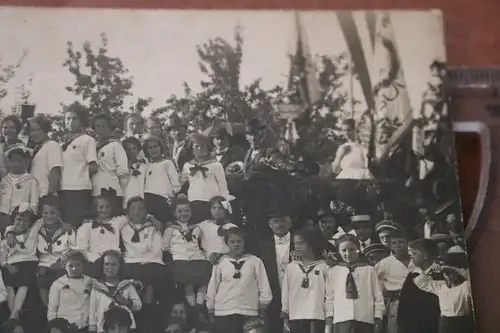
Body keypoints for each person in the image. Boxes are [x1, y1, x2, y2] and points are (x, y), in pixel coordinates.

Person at [120, 196, 174, 331]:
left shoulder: (152, 227)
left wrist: (152, 219)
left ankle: (150, 322)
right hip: (131, 262)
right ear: (128, 212)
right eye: (133, 209)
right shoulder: (123, 227)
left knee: (154, 284)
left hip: (151, 262)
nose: (137, 212)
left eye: (141, 208)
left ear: (147, 211)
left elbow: (157, 249)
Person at [206, 227, 272, 333]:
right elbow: (213, 286)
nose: (236, 244)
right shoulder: (220, 262)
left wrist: (262, 306)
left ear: (244, 242)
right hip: (224, 310)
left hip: (248, 310)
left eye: (239, 241)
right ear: (227, 243)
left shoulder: (255, 261)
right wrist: (210, 307)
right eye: (232, 242)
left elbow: (264, 285)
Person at [163, 197, 212, 323]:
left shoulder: (197, 228)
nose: (183, 214)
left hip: (196, 256)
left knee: (204, 278)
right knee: (188, 282)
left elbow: (201, 243)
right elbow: (165, 246)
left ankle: (200, 304)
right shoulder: (171, 229)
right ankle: (193, 308)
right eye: (180, 211)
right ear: (174, 213)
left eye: (186, 211)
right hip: (180, 257)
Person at [325, 234, 384, 333]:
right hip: (341, 319)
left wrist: (378, 318)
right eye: (344, 250)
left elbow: (378, 297)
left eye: (352, 249)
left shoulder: (369, 270)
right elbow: (330, 298)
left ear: (358, 249)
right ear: (339, 252)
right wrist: (329, 320)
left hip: (365, 319)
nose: (348, 253)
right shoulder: (334, 271)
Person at [414, 248, 474, 333]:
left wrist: (459, 270)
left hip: (461, 324)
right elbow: (420, 282)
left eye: (452, 272)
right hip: (444, 323)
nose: (448, 275)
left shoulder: (465, 287)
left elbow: (472, 282)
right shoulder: (441, 286)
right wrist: (428, 270)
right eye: (445, 272)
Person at [281, 229, 329, 333]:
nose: (297, 247)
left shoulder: (324, 267)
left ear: (311, 244)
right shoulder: (291, 267)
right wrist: (285, 316)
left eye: (301, 243)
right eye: (295, 244)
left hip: (317, 315)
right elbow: (285, 293)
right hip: (295, 315)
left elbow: (329, 294)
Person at [255, 209, 295, 333]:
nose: (280, 224)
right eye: (276, 221)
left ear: (290, 223)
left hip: (296, 293)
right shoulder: (262, 244)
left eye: (283, 220)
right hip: (273, 293)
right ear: (270, 224)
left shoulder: (300, 241)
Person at [60, 108, 98, 228]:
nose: (70, 121)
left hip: (79, 189)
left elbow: (93, 166)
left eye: (74, 118)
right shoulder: (61, 142)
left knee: (77, 225)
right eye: (68, 119)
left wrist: (81, 178)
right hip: (63, 189)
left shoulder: (87, 140)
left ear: (81, 121)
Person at [36, 196, 77, 307]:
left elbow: (72, 247)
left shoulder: (67, 229)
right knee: (41, 281)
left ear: (59, 213)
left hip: (61, 263)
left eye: (53, 213)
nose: (49, 216)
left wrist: (65, 258)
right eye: (46, 213)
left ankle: (61, 310)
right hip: (43, 263)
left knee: (61, 281)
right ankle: (48, 310)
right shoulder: (38, 229)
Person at [0, 206, 39, 319]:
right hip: (11, 263)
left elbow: (40, 221)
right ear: (13, 220)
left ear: (31, 222)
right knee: (8, 284)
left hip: (27, 262)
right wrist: (6, 265)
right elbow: (2, 255)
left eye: (26, 220)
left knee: (23, 283)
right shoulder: (7, 237)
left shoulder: (33, 232)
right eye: (18, 219)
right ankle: (14, 315)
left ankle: (14, 315)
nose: (21, 223)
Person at [88, 250, 142, 333]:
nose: (110, 267)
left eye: (114, 265)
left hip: (125, 327)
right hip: (104, 327)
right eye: (107, 264)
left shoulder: (127, 285)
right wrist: (92, 327)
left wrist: (126, 302)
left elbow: (138, 305)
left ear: (120, 267)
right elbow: (92, 309)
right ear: (102, 266)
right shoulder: (97, 287)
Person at [181, 134, 229, 224]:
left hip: (211, 203)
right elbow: (180, 183)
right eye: (196, 146)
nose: (200, 149)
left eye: (203, 146)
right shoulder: (187, 165)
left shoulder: (215, 165)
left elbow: (223, 186)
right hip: (193, 203)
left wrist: (224, 204)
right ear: (191, 149)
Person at [397, 238, 443, 333]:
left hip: (433, 325)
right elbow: (403, 302)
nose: (411, 257)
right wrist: (401, 323)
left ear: (425, 255)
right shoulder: (412, 276)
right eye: (410, 255)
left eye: (414, 253)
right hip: (412, 325)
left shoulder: (439, 275)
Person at [91, 113, 129, 217]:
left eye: (103, 126)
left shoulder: (115, 145)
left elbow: (123, 171)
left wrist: (123, 192)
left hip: (112, 191)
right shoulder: (92, 146)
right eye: (97, 126)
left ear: (109, 127)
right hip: (95, 191)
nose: (100, 129)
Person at [374, 228, 411, 333]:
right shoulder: (385, 263)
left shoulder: (416, 260)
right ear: (390, 246)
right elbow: (375, 284)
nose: (398, 245)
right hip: (395, 302)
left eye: (401, 242)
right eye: (394, 243)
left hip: (415, 301)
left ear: (408, 243)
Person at [47, 250, 92, 333]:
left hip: (84, 327)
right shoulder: (58, 284)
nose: (74, 268)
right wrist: (54, 327)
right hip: (64, 328)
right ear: (64, 266)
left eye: (78, 264)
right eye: (70, 265)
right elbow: (52, 308)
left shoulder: (90, 282)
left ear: (83, 265)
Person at [143, 135, 180, 224]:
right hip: (148, 199)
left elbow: (175, 182)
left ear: (160, 147)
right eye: (150, 148)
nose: (153, 150)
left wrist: (172, 196)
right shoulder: (146, 166)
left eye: (155, 146)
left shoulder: (167, 163)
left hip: (163, 199)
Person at [0, 145, 39, 226]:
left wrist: (27, 215)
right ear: (8, 162)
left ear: (25, 162)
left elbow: (34, 202)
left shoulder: (30, 180)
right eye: (13, 161)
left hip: (20, 218)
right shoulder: (4, 180)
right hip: (3, 216)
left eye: (19, 161)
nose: (16, 164)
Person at [28, 115, 63, 198]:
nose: (34, 133)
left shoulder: (52, 145)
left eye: (38, 129)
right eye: (32, 130)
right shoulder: (36, 149)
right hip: (35, 196)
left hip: (45, 195)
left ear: (45, 130)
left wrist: (50, 193)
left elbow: (55, 169)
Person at [197, 196, 237, 264]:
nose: (217, 210)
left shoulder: (231, 227)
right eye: (214, 208)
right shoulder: (203, 225)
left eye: (220, 208)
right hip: (206, 260)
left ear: (225, 210)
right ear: (210, 210)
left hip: (226, 260)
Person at [122, 137, 147, 210]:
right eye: (127, 149)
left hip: (141, 202)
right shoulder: (121, 167)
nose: (131, 151)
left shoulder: (145, 166)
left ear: (139, 149)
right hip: (126, 202)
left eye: (134, 148)